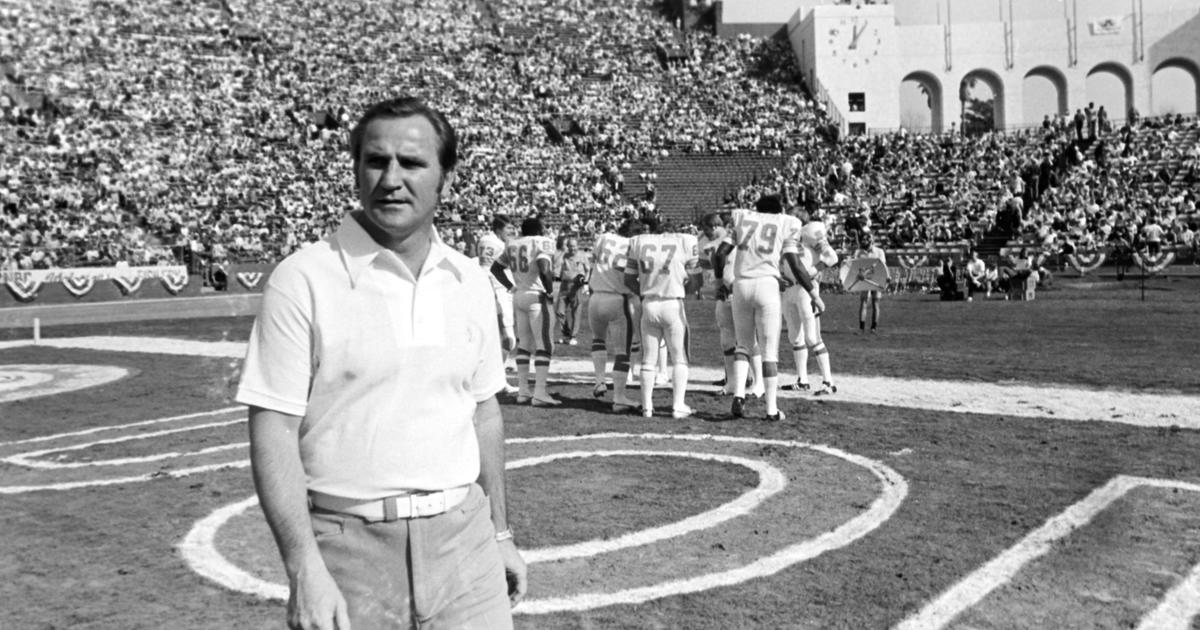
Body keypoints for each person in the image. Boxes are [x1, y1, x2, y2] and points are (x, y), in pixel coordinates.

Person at [237, 97, 526, 630]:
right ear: (357, 169)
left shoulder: (468, 280)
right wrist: (304, 569)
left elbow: (484, 413)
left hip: (466, 544)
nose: (391, 178)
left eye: (412, 163)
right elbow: (273, 426)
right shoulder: (303, 278)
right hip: (349, 549)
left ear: (445, 176)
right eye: (376, 161)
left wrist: (501, 535)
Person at [713, 194, 822, 422]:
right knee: (769, 351)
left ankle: (740, 393)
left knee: (742, 344)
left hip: (741, 284)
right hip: (768, 286)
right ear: (779, 209)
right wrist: (814, 293)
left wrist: (719, 281)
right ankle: (771, 409)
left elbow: (720, 253)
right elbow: (795, 263)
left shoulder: (744, 219)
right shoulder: (785, 222)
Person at [624, 215, 702, 419]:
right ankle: (677, 405)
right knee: (679, 358)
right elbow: (697, 280)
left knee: (648, 359)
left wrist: (644, 291)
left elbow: (628, 279)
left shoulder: (639, 242)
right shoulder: (684, 242)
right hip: (672, 302)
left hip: (649, 303)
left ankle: (647, 407)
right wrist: (686, 290)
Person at [492, 216, 561, 406]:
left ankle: (523, 391)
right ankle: (539, 393)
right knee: (544, 345)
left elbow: (496, 268)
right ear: (540, 230)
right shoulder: (542, 242)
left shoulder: (513, 244)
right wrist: (549, 291)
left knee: (524, 343)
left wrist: (511, 286)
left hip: (519, 295)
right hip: (536, 295)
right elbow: (544, 268)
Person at [586, 218, 643, 413]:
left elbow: (594, 260)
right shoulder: (634, 245)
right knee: (622, 351)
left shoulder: (604, 237)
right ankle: (619, 397)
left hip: (595, 297)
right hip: (617, 299)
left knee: (598, 340)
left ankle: (599, 380)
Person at [782, 205, 839, 395]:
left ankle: (828, 382)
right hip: (788, 289)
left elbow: (832, 257)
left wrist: (810, 273)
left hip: (806, 289)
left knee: (813, 337)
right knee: (795, 338)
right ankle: (802, 379)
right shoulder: (787, 236)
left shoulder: (811, 233)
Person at [476, 214, 520, 394]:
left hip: (485, 290)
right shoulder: (500, 246)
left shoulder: (483, 241)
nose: (512, 231)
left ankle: (487, 379)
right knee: (508, 339)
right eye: (508, 228)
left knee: (488, 338)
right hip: (498, 291)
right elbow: (492, 270)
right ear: (498, 229)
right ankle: (497, 380)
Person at [556, 236, 589, 345]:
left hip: (576, 286)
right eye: (570, 246)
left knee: (576, 312)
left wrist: (585, 284)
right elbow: (558, 266)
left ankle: (573, 336)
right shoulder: (564, 255)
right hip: (564, 285)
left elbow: (588, 270)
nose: (572, 248)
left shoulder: (583, 256)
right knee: (559, 311)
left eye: (574, 246)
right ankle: (566, 335)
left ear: (577, 246)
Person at [857, 232, 887, 332]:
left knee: (875, 302)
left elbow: (882, 265)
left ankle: (873, 327)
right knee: (863, 302)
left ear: (870, 241)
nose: (863, 242)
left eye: (865, 240)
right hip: (864, 279)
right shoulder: (859, 252)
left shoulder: (879, 252)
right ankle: (862, 327)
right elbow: (855, 265)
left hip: (877, 278)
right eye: (862, 240)